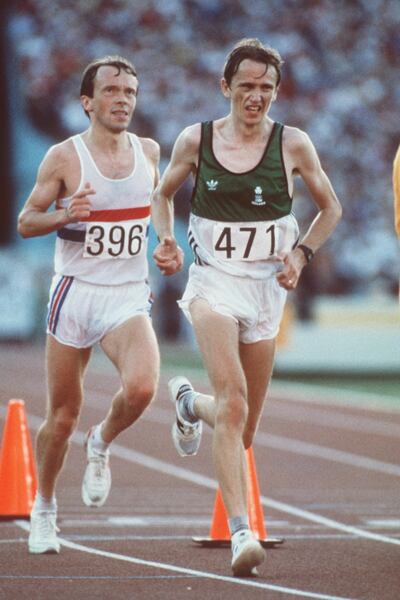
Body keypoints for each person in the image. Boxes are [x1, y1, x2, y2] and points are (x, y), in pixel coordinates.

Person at [152, 38, 342, 577]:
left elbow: (331, 209)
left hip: (266, 291)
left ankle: (190, 405)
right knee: (233, 401)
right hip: (213, 284)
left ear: (277, 92)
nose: (256, 97)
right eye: (246, 87)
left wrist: (301, 255)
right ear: (225, 87)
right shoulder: (197, 139)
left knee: (243, 426)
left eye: (266, 88)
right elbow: (162, 194)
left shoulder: (294, 144)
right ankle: (242, 533)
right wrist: (165, 239)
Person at [17, 56, 161, 554]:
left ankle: (100, 441)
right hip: (75, 292)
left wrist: (165, 244)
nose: (123, 100)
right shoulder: (64, 157)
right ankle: (45, 507)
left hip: (125, 294)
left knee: (142, 389)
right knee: (61, 416)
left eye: (130, 92)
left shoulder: (149, 151)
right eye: (112, 91)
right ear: (88, 102)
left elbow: (155, 211)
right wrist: (62, 214)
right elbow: (24, 221)